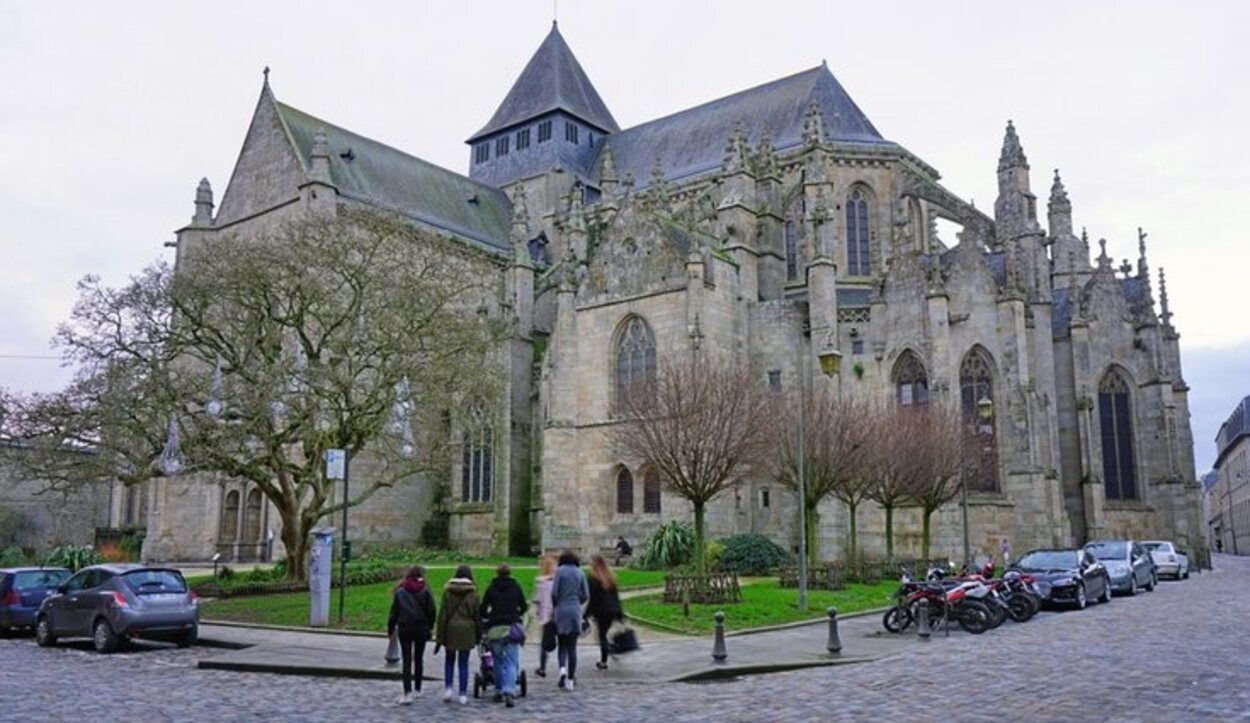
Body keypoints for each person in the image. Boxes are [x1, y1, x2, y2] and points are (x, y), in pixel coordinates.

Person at [480, 563, 528, 708]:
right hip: (511, 628)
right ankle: (510, 690)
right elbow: (524, 606)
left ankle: (499, 690)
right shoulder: (516, 587)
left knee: (498, 662)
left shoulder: (491, 588)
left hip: (495, 628)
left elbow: (482, 609)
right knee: (512, 662)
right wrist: (516, 614)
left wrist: (489, 616)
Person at [387, 565, 436, 705]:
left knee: (407, 660)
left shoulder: (401, 591)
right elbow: (432, 610)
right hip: (421, 628)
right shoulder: (425, 590)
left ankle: (407, 692)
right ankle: (418, 688)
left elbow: (394, 613)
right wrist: (430, 626)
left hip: (405, 628)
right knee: (419, 658)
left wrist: (390, 629)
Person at [434, 564, 479, 705]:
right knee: (463, 663)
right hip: (467, 630)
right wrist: (478, 634)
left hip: (451, 629)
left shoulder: (448, 593)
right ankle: (463, 693)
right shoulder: (473, 593)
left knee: (449, 660)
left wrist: (439, 637)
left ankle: (448, 689)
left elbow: (443, 616)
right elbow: (476, 615)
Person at [550, 549, 588, 691]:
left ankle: (562, 670)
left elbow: (554, 592)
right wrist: (577, 602)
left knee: (562, 644)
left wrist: (556, 604)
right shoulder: (580, 572)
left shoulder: (559, 571)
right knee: (572, 647)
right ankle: (571, 680)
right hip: (575, 610)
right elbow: (586, 594)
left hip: (561, 610)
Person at [586, 555, 624, 670]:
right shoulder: (611, 577)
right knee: (604, 634)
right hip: (612, 610)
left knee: (602, 636)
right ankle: (609, 649)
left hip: (601, 611)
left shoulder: (593, 579)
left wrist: (586, 614)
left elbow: (592, 598)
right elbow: (616, 597)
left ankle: (604, 661)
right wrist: (619, 612)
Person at [532, 554, 557, 678]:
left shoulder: (540, 581)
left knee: (545, 642)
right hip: (558, 613)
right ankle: (563, 666)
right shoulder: (557, 581)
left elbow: (537, 599)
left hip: (545, 614)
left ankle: (542, 667)